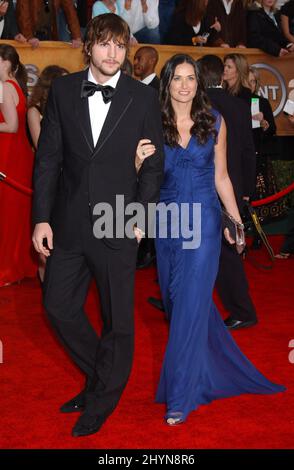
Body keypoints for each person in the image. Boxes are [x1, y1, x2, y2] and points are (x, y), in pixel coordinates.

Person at [32, 13, 164, 437]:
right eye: (104, 44)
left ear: (126, 51)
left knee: (118, 321)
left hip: (119, 224)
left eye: (120, 46)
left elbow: (153, 165)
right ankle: (101, 379)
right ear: (89, 46)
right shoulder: (65, 90)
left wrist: (142, 215)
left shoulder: (141, 98)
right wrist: (41, 219)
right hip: (69, 223)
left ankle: (101, 398)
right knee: (57, 306)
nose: (113, 53)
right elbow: (49, 159)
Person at [140, 53, 284, 425]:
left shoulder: (214, 121)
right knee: (178, 305)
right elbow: (142, 176)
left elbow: (222, 177)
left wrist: (235, 221)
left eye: (191, 78)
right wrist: (136, 165)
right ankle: (206, 373)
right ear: (167, 83)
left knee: (190, 303)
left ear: (198, 84)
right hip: (169, 226)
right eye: (178, 78)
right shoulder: (154, 123)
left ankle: (180, 397)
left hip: (203, 223)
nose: (185, 85)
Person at [197, 54, 258, 330]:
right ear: (221, 75)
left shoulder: (200, 107)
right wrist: (245, 191)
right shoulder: (239, 105)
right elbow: (247, 151)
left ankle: (242, 310)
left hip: (208, 186)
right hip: (231, 186)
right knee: (223, 251)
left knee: (224, 255)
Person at [27, 65, 69, 284]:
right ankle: (47, 285)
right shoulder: (35, 111)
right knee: (45, 237)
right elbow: (41, 145)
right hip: (48, 179)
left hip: (68, 181)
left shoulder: (70, 111)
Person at [0, 44, 37, 287]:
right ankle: (17, 264)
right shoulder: (16, 86)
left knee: (8, 215)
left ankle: (6, 268)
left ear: (6, 63)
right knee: (14, 215)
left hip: (8, 156)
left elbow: (10, 126)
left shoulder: (4, 86)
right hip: (17, 155)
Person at [16, 0, 82, 48]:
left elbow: (70, 10)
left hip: (49, 33)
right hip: (29, 35)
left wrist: (77, 36)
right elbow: (23, 13)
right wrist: (29, 37)